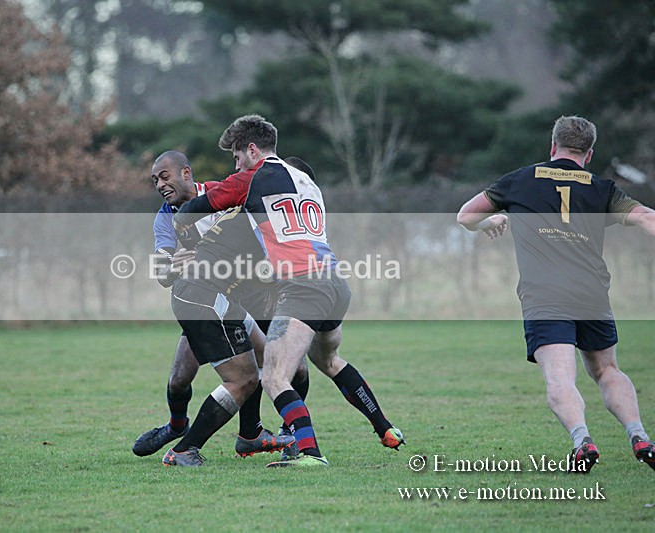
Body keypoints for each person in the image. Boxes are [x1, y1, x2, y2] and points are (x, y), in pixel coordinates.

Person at [175, 115, 405, 467]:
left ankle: (310, 453)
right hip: (335, 283)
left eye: (236, 157)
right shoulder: (307, 182)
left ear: (252, 150)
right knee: (328, 360)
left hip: (302, 286)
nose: (235, 166)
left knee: (274, 376)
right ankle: (385, 428)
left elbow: (194, 207)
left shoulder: (252, 178)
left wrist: (186, 232)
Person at [457, 115, 655, 473]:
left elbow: (465, 215)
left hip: (545, 295)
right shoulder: (601, 188)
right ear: (589, 153)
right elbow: (646, 218)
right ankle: (639, 436)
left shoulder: (519, 180)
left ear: (553, 147)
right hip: (592, 293)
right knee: (607, 369)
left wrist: (492, 222)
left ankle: (582, 441)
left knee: (560, 378)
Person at [133, 150, 300, 461]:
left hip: (240, 295)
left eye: (164, 176)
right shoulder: (165, 217)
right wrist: (175, 266)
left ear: (186, 173)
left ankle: (255, 432)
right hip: (203, 301)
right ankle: (176, 427)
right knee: (180, 378)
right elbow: (162, 274)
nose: (159, 184)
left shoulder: (218, 195)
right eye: (154, 180)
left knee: (268, 359)